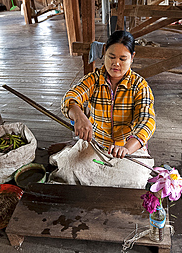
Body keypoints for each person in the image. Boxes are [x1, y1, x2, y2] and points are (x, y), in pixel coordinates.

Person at [49, 31, 156, 189]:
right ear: (104, 51)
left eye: (122, 59)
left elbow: (147, 121)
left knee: (135, 181)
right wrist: (79, 115)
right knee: (68, 171)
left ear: (132, 57)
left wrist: (126, 148)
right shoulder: (93, 80)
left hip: (127, 150)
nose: (116, 63)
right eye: (111, 57)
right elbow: (70, 97)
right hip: (96, 144)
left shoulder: (139, 86)